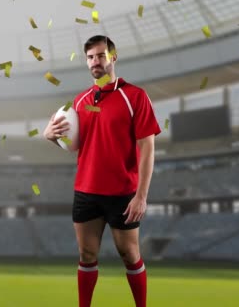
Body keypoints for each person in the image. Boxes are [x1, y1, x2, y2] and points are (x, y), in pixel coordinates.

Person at [44, 35, 161, 307]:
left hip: (122, 193)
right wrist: (50, 135)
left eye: (100, 55)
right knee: (86, 255)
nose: (95, 61)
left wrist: (141, 195)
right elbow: (74, 145)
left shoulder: (135, 96)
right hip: (85, 191)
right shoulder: (80, 100)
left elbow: (148, 148)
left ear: (113, 57)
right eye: (90, 57)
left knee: (130, 255)